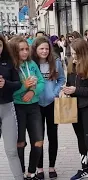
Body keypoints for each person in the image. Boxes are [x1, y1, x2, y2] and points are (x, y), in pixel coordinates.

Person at [62, 38, 88, 180]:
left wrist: (75, 89)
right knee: (80, 138)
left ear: (83, 53)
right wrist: (66, 90)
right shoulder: (71, 65)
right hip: (73, 106)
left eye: (76, 54)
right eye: (72, 54)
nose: (73, 57)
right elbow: (70, 84)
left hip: (87, 107)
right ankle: (85, 168)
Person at [8, 36, 45, 180]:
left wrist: (32, 91)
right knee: (20, 143)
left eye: (26, 49)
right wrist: (25, 86)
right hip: (18, 108)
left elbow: (41, 82)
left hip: (34, 107)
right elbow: (10, 90)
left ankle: (31, 172)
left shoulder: (32, 64)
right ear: (14, 51)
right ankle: (21, 173)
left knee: (38, 141)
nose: (24, 52)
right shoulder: (12, 67)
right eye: (20, 50)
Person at [31, 36, 66, 179]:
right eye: (41, 48)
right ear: (36, 49)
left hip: (51, 104)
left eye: (47, 48)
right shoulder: (31, 64)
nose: (44, 51)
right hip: (36, 105)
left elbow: (62, 79)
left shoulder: (55, 62)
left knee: (53, 136)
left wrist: (55, 92)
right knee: (38, 137)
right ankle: (39, 168)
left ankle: (52, 166)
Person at [0, 35, 24, 180]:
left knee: (11, 151)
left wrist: (5, 84)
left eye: (0, 45)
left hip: (7, 108)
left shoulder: (8, 62)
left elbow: (18, 84)